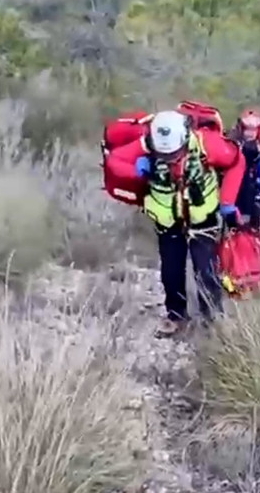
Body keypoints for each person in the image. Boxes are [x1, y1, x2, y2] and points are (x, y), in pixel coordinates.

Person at [105, 110, 245, 337]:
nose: (169, 158)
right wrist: (136, 170)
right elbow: (114, 160)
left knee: (206, 270)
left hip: (203, 218)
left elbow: (236, 161)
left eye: (174, 153)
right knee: (171, 270)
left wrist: (228, 201)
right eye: (164, 154)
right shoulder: (147, 143)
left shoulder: (206, 143)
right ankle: (176, 316)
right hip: (167, 220)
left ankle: (213, 319)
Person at [229, 108, 260, 231]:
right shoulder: (233, 145)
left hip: (256, 190)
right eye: (247, 129)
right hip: (234, 191)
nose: (250, 133)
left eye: (253, 130)